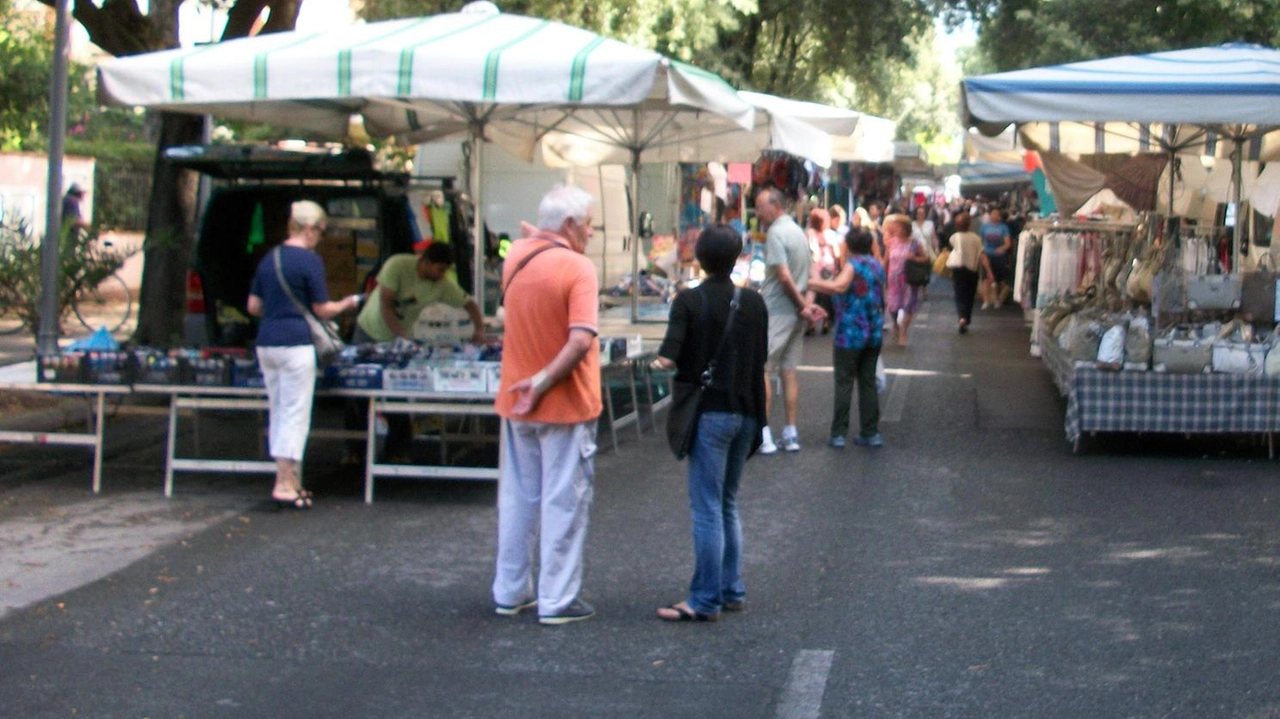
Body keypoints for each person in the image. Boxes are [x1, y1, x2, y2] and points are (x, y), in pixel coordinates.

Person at [492, 184, 602, 626]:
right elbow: (580, 339)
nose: (592, 233)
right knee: (564, 501)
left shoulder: (515, 256)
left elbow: (529, 235)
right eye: (589, 224)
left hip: (515, 399)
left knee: (518, 498)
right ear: (571, 226)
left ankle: (510, 590)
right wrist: (543, 381)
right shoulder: (578, 268)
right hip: (564, 400)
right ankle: (557, 598)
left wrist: (530, 383)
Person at [651, 225, 768, 622]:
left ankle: (704, 600)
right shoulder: (754, 303)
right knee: (728, 502)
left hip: (710, 414)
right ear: (736, 257)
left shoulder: (688, 301)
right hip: (747, 412)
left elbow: (668, 358)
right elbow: (759, 363)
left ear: (699, 258)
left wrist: (663, 362)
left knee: (706, 508)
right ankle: (731, 589)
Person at [247, 200, 360, 509]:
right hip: (296, 344)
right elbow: (322, 309)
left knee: (278, 409)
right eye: (321, 232)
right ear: (309, 229)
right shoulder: (309, 261)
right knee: (295, 414)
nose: (320, 238)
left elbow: (253, 307)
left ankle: (291, 480)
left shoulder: (269, 259)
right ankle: (284, 483)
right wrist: (347, 303)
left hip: (266, 343)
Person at [346, 242, 486, 462]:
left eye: (445, 271)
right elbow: (386, 304)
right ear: (426, 262)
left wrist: (479, 329)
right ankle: (356, 450)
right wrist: (402, 336)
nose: (442, 275)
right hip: (369, 332)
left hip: (398, 341)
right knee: (359, 395)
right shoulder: (397, 265)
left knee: (397, 392)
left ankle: (397, 450)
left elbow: (469, 303)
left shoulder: (442, 284)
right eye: (439, 269)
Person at [755, 188, 824, 454]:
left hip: (777, 311)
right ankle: (791, 432)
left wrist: (800, 305)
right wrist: (806, 304)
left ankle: (764, 435)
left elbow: (783, 277)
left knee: (763, 369)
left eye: (760, 207)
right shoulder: (798, 231)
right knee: (789, 371)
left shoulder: (775, 233)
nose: (758, 213)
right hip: (795, 313)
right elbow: (813, 272)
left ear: (775, 206)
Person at [808, 228, 885, 448]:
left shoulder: (853, 265)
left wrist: (810, 283)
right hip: (873, 330)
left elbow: (838, 286)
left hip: (850, 333)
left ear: (849, 246)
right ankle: (871, 431)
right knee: (868, 381)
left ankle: (839, 433)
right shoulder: (876, 265)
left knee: (844, 381)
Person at [882, 213, 929, 347]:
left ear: (904, 228)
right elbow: (886, 260)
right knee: (892, 306)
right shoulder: (891, 243)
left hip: (909, 280)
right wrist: (882, 275)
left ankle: (903, 333)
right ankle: (895, 323)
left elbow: (925, 258)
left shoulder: (914, 243)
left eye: (896, 226)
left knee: (909, 306)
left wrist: (914, 258)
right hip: (893, 281)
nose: (894, 228)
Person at [948, 212, 993, 334]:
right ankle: (966, 318)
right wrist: (989, 271)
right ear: (969, 224)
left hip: (957, 268)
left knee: (959, 294)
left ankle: (961, 317)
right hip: (972, 269)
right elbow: (982, 255)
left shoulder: (954, 237)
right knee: (969, 295)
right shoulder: (976, 238)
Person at [806, 207, 839, 335]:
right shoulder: (830, 234)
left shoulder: (809, 233)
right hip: (828, 267)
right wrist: (838, 268)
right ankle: (826, 321)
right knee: (827, 296)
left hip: (813, 267)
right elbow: (836, 253)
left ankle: (811, 323)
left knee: (812, 294)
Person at [979, 207, 1013, 309]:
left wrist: (1002, 248)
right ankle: (986, 301)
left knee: (998, 280)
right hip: (987, 255)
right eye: (993, 214)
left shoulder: (1003, 228)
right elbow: (980, 241)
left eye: (996, 214)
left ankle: (997, 299)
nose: (994, 216)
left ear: (999, 216)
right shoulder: (984, 227)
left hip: (999, 257)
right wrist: (981, 252)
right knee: (986, 280)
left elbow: (1008, 243)